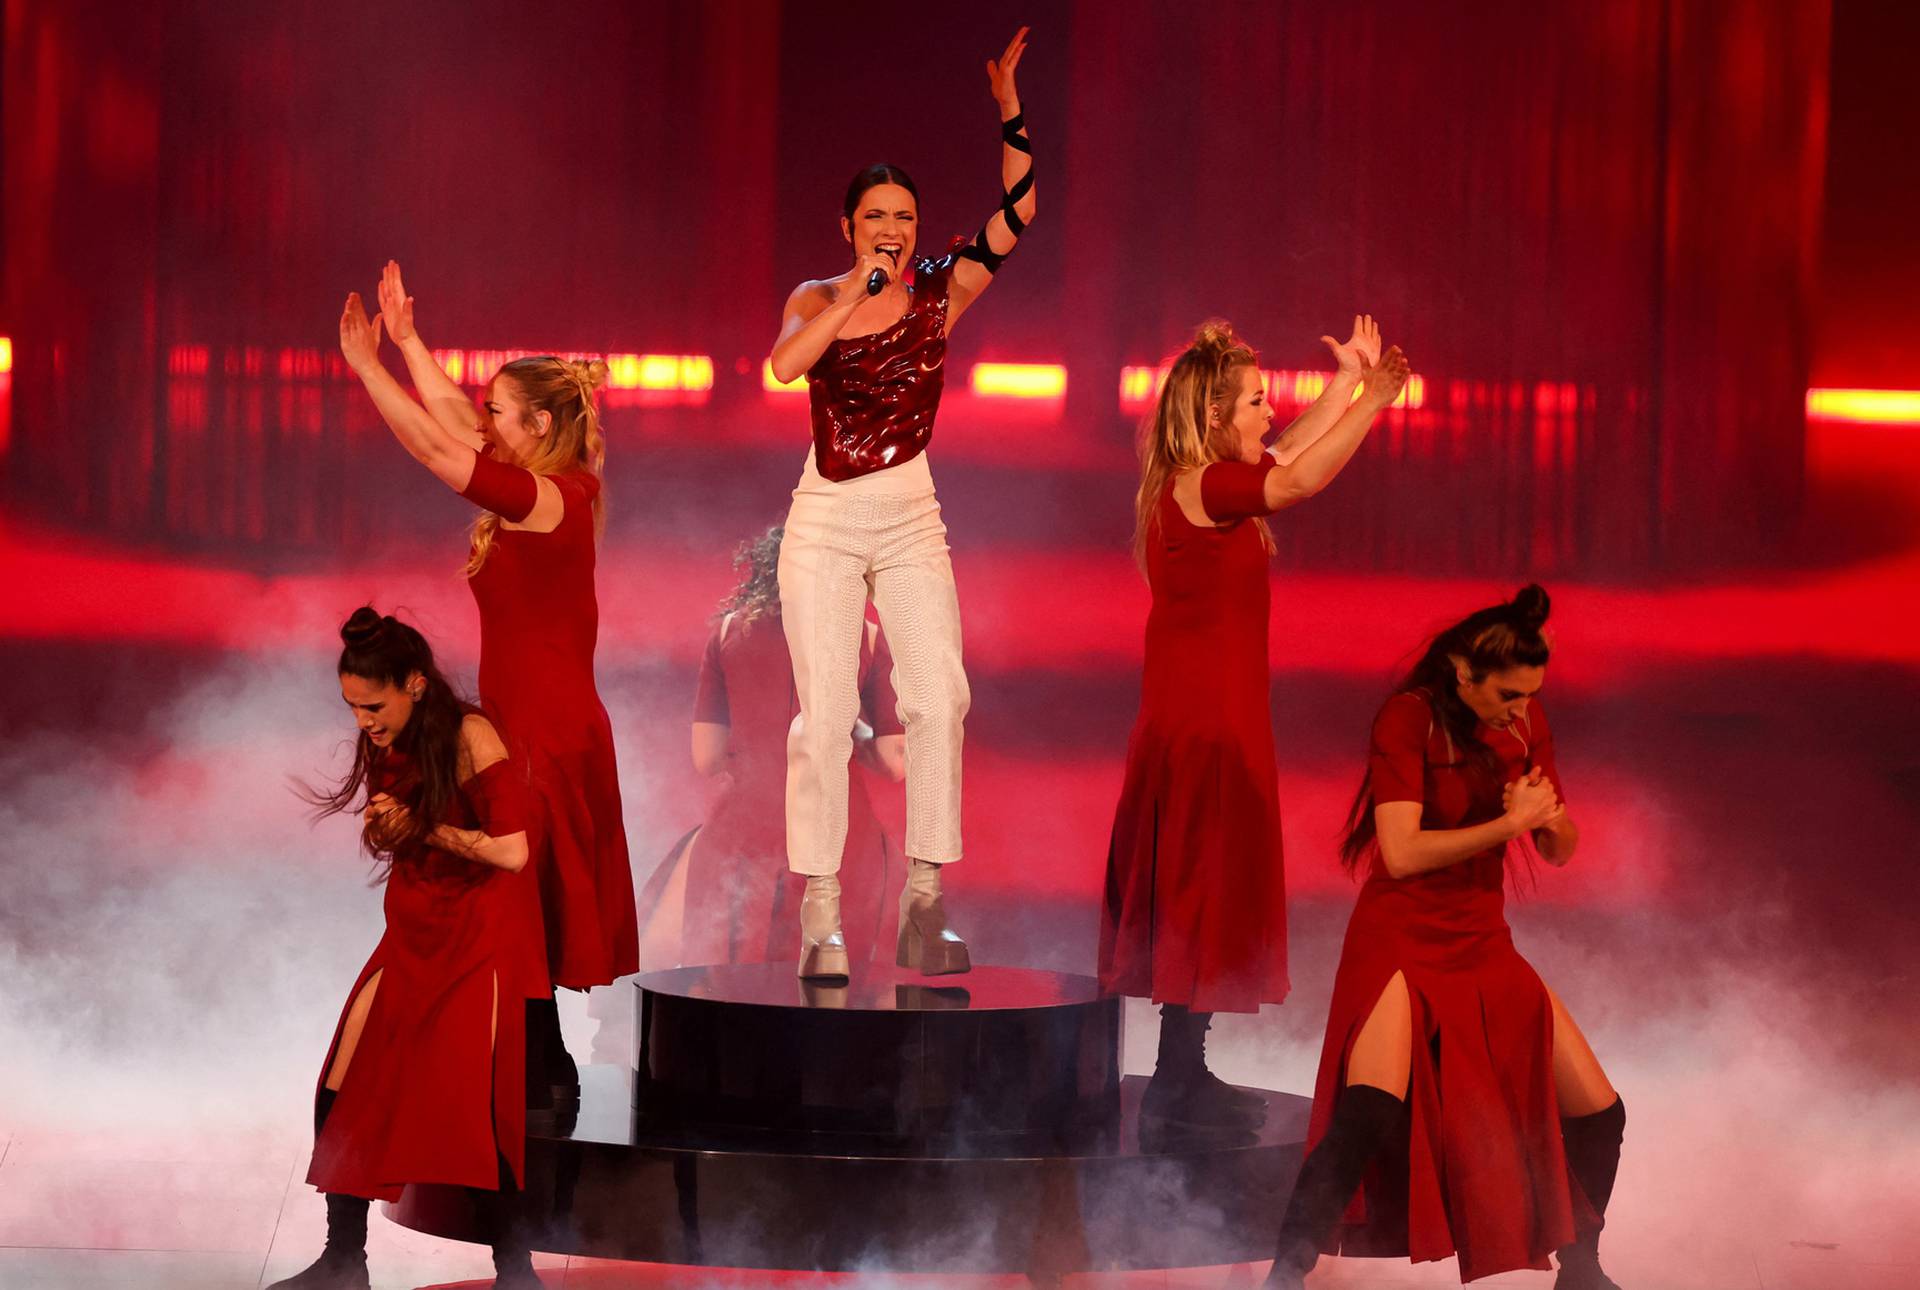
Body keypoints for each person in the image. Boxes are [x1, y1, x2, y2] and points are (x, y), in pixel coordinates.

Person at [767, 27, 1036, 978]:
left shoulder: (939, 292)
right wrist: (854, 295)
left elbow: (1018, 210)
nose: (896, 227)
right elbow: (782, 365)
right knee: (826, 711)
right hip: (829, 513)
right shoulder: (815, 297)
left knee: (939, 695)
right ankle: (824, 912)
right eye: (879, 214)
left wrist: (1007, 106)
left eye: (908, 217)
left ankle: (926, 900)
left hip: (910, 507)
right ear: (850, 225)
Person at [339, 269, 641, 1112]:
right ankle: (537, 1071)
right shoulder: (546, 481)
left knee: (518, 901)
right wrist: (405, 343)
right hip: (523, 723)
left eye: (501, 415)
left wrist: (367, 369)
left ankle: (544, 1080)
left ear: (539, 425)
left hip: (545, 733)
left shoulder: (552, 499)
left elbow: (443, 453)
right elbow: (459, 426)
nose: (485, 423)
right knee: (513, 910)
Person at [1266, 586, 1625, 1290]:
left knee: (1602, 1112)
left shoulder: (1522, 724)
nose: (1522, 708)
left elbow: (1560, 848)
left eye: (1531, 695)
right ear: (1465, 673)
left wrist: (1546, 819)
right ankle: (1285, 1273)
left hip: (1479, 937)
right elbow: (1399, 853)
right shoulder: (1409, 719)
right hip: (1401, 934)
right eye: (1510, 694)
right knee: (1368, 1109)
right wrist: (1507, 825)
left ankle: (1580, 1268)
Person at [1100, 317, 1409, 1127]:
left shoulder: (1203, 478)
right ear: (1211, 415)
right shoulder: (1200, 487)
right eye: (1255, 400)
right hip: (1204, 722)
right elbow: (1295, 482)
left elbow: (1282, 459)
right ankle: (1176, 1080)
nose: (1269, 411)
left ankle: (1181, 1068)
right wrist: (1373, 405)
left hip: (1211, 713)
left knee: (1203, 887)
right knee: (1199, 887)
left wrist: (1345, 384)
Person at [273, 608, 544, 1290]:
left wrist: (426, 827)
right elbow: (396, 834)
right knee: (346, 1077)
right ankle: (344, 1260)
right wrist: (387, 826)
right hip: (411, 927)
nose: (363, 719)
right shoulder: (386, 736)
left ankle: (517, 1272)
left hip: (474, 936)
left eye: (373, 704)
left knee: (478, 1103)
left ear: (416, 684)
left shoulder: (471, 736)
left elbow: (512, 851)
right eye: (353, 707)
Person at [665, 525, 907, 970]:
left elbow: (706, 757)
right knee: (835, 996)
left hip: (745, 834)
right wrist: (855, 733)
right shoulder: (868, 636)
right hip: (839, 839)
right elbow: (895, 762)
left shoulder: (726, 634)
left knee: (732, 990)